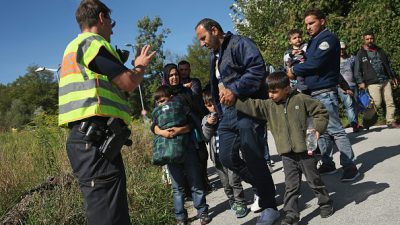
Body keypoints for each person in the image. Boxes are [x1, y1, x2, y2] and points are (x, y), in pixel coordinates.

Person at [58, 0, 156, 224]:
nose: (113, 27)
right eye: (112, 21)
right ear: (101, 18)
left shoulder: (75, 49)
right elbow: (128, 82)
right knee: (109, 217)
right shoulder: (91, 43)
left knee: (111, 213)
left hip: (93, 141)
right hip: (93, 142)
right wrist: (140, 66)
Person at [195, 18, 279, 225]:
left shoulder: (240, 43)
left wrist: (236, 90)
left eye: (203, 38)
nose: (201, 44)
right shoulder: (214, 56)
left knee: (253, 157)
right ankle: (263, 186)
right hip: (226, 114)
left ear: (214, 30)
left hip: (248, 109)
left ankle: (270, 207)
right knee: (226, 157)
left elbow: (258, 69)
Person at [235, 71, 334, 224]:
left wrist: (318, 129)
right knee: (291, 186)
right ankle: (291, 214)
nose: (270, 95)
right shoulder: (268, 106)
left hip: (305, 151)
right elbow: (252, 105)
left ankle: (325, 203)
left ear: (287, 88)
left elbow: (320, 111)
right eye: (269, 91)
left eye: (274, 91)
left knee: (314, 181)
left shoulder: (301, 99)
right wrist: (233, 99)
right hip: (287, 155)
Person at [288, 8, 360, 182]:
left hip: (325, 92)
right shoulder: (313, 41)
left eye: (311, 23)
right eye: (306, 24)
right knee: (321, 131)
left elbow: (316, 63)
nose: (308, 27)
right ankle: (327, 163)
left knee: (335, 129)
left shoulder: (327, 39)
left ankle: (349, 165)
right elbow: (311, 61)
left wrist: (293, 69)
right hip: (312, 92)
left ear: (322, 21)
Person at [153, 64, 211, 225]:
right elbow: (154, 124)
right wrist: (162, 132)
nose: (174, 77)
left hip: (188, 144)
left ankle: (202, 212)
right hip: (170, 148)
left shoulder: (186, 94)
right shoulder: (161, 95)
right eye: (170, 75)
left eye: (176, 74)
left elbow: (193, 120)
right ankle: (180, 217)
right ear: (166, 76)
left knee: (195, 181)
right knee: (177, 187)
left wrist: (180, 130)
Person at [201, 87, 249, 219]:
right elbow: (205, 137)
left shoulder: (226, 115)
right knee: (226, 183)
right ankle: (232, 200)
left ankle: (240, 202)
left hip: (231, 155)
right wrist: (209, 125)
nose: (213, 108)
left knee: (234, 180)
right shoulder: (206, 119)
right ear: (206, 106)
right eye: (209, 105)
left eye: (215, 103)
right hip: (217, 158)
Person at [354, 31, 399, 129]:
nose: (370, 41)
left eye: (371, 38)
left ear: (374, 39)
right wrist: (360, 81)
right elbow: (357, 70)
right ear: (364, 40)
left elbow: (388, 64)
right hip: (372, 82)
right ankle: (367, 121)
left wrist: (393, 77)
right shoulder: (360, 53)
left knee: (390, 101)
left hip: (385, 80)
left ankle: (390, 121)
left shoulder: (380, 50)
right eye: (367, 39)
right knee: (375, 103)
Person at [338, 41, 362, 132]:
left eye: (343, 48)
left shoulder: (352, 58)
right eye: (340, 49)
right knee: (349, 105)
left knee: (356, 104)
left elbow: (358, 70)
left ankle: (356, 122)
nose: (341, 50)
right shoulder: (334, 61)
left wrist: (360, 82)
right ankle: (354, 124)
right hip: (342, 87)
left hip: (353, 84)